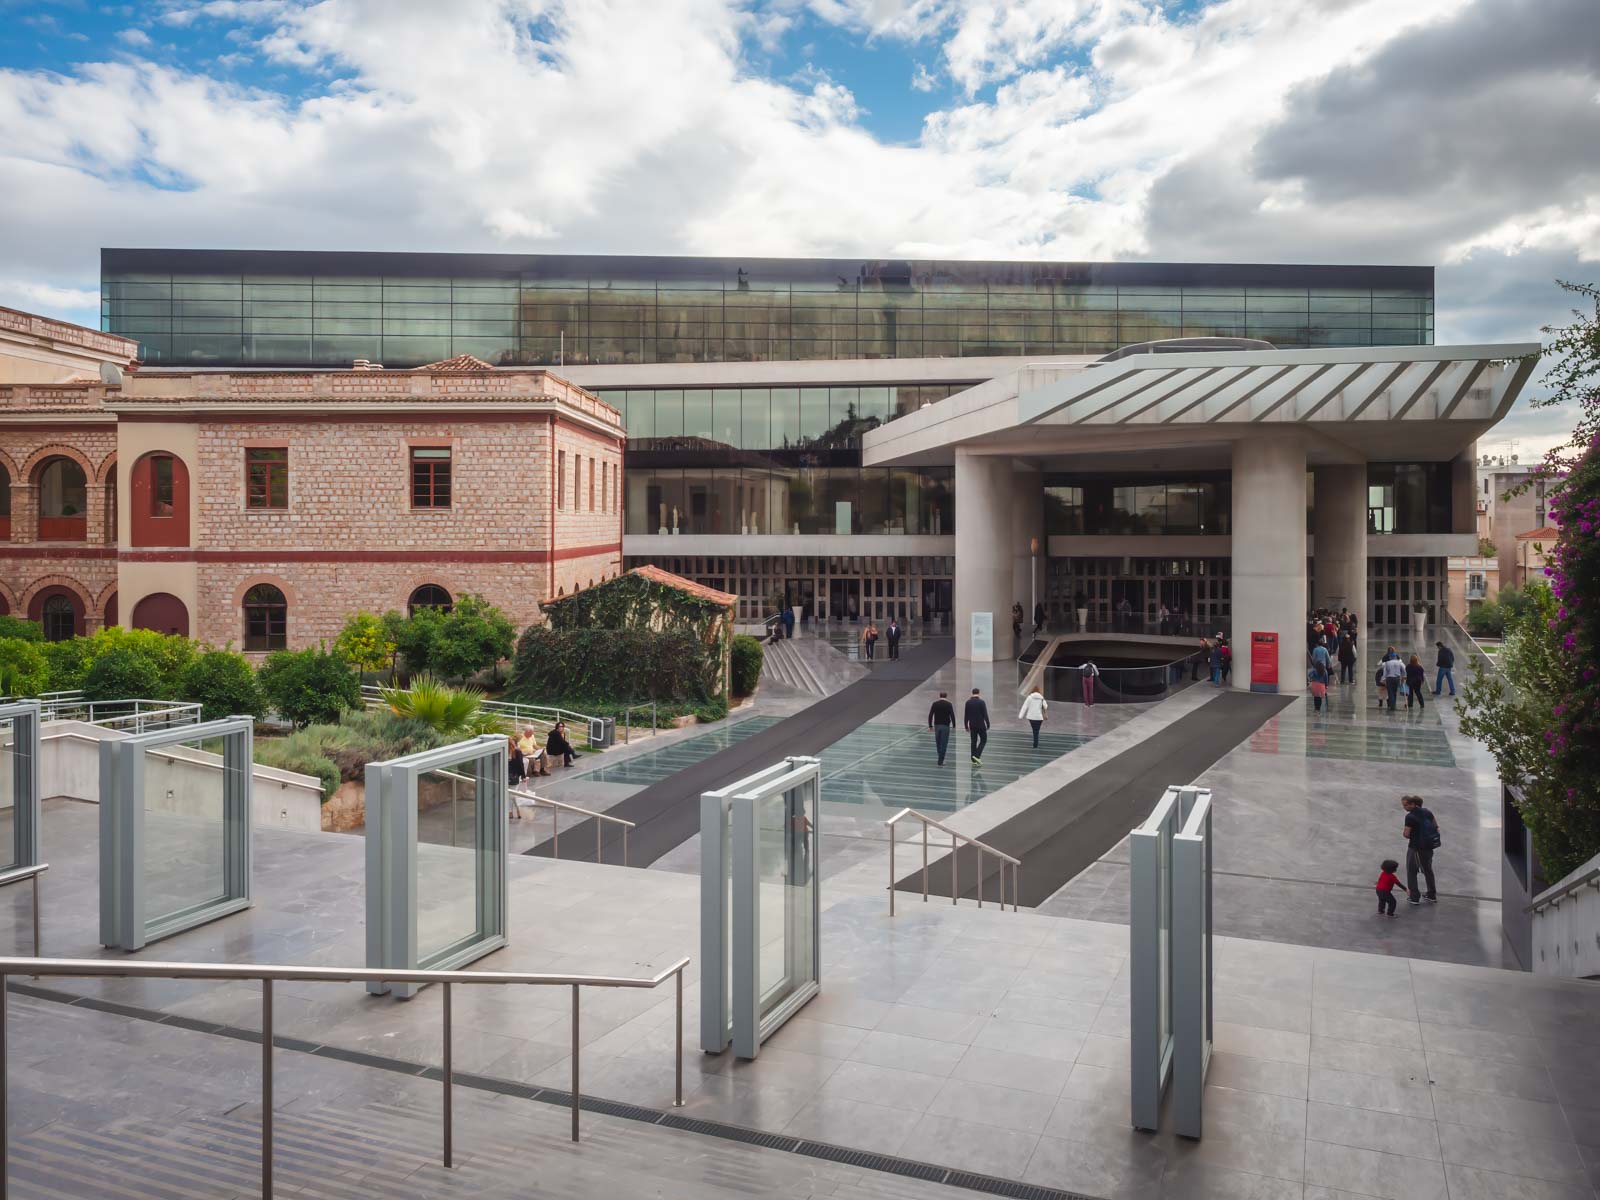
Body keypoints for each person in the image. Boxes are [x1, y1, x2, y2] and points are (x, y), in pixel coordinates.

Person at [1400, 795, 1440, 904]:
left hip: (1416, 848)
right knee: (1428, 870)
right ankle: (1431, 894)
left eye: (1406, 805)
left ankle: (1414, 897)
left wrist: (1406, 833)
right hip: (1429, 846)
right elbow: (1436, 826)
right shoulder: (1427, 812)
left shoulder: (1410, 817)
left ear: (1413, 804)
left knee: (1412, 871)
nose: (1404, 807)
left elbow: (1407, 834)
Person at [927, 690, 956, 766]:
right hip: (945, 726)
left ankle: (940, 757)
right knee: (944, 743)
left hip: (937, 725)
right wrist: (954, 725)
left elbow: (930, 715)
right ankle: (940, 761)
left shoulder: (935, 704)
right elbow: (952, 715)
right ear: (946, 696)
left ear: (940, 696)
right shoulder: (949, 704)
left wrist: (930, 726)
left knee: (938, 743)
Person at [964, 687, 990, 765]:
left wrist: (966, 725)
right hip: (981, 725)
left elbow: (966, 715)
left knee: (973, 741)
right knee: (983, 740)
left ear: (972, 693)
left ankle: (973, 760)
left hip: (972, 725)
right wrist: (988, 723)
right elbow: (985, 714)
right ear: (978, 693)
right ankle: (977, 755)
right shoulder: (982, 702)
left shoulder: (968, 702)